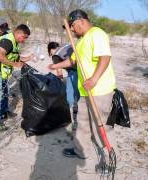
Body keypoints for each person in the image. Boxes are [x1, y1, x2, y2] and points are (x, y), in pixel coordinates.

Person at [48, 9, 117, 165]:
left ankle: (110, 159)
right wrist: (55, 65)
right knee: (83, 122)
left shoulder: (97, 34)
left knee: (102, 127)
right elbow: (73, 61)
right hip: (84, 90)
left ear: (82, 21)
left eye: (72, 26)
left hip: (99, 90)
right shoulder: (81, 41)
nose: (71, 30)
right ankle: (81, 151)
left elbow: (105, 57)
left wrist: (94, 79)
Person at [0, 24, 33, 131]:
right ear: (18, 33)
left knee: (5, 92)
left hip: (0, 72)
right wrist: (15, 64)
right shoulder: (7, 41)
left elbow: (15, 58)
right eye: (24, 37)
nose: (24, 40)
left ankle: (4, 112)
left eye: (26, 38)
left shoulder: (15, 43)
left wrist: (30, 58)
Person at [47, 42, 80, 130]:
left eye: (50, 53)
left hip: (75, 70)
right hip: (85, 66)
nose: (51, 55)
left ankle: (74, 115)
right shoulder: (65, 46)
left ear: (50, 50)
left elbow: (59, 71)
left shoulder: (56, 55)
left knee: (71, 93)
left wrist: (60, 82)